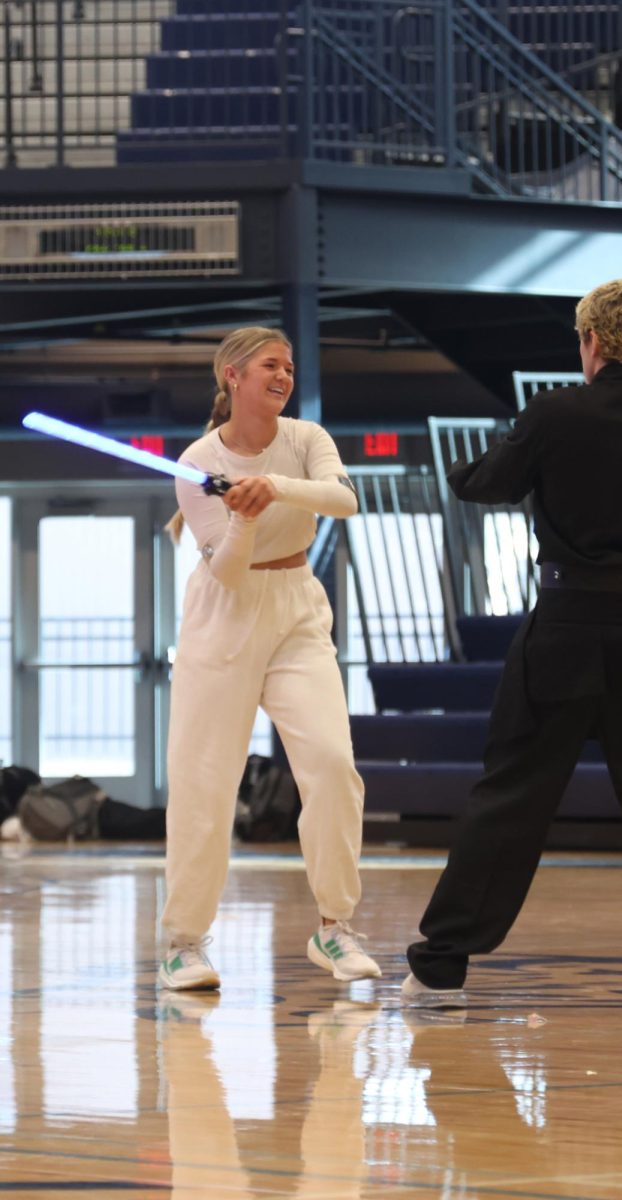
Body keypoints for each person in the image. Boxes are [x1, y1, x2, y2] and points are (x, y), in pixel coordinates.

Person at [403, 278, 622, 1014]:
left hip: (567, 630)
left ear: (591, 342)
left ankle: (441, 969)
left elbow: (485, 485)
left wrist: (492, 456)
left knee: (511, 798)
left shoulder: (555, 414)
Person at [159, 326, 380, 990]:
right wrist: (245, 517)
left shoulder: (306, 440)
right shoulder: (196, 460)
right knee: (205, 783)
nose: (282, 376)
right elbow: (226, 573)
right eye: (269, 366)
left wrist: (270, 490)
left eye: (288, 366)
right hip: (223, 617)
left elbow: (344, 499)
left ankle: (335, 929)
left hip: (297, 609)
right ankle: (182, 943)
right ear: (232, 376)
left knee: (335, 765)